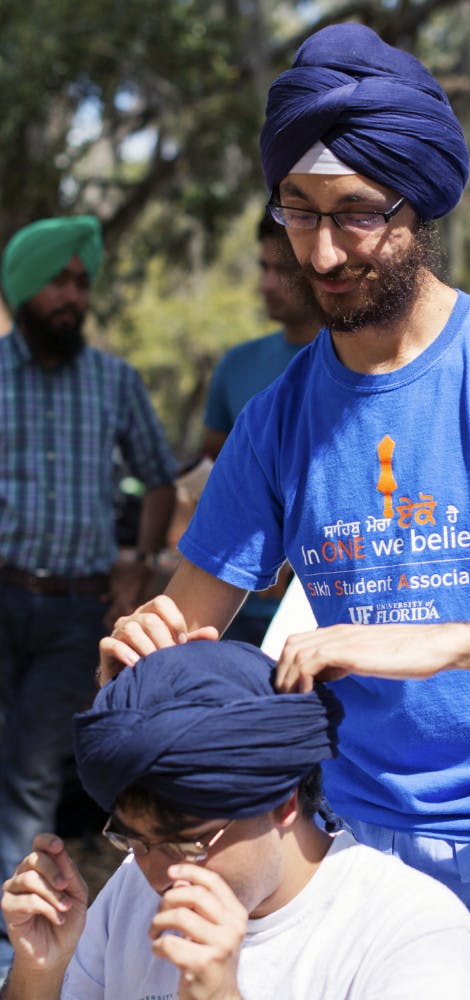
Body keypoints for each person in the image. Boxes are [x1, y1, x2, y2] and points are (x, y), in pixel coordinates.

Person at [100, 23, 470, 999]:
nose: (321, 251)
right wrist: (144, 656)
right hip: (365, 855)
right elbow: (188, 639)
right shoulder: (276, 423)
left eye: (356, 214)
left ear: (423, 204)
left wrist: (442, 642)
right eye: (298, 213)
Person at [0, 640, 470, 999]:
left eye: (188, 844)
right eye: (135, 841)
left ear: (282, 804)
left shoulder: (409, 932)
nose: (157, 873)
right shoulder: (133, 887)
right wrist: (39, 971)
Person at [0, 215, 178, 973]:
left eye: (82, 282)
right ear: (21, 287)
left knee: (32, 775)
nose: (72, 296)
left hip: (78, 610)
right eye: (58, 281)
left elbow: (162, 475)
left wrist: (138, 563)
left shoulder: (114, 380)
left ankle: (15, 959)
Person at [201, 209, 323, 645]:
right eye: (263, 268)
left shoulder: (358, 369)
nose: (267, 284)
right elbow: (215, 473)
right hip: (233, 607)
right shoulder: (236, 366)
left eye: (284, 270)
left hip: (322, 610)